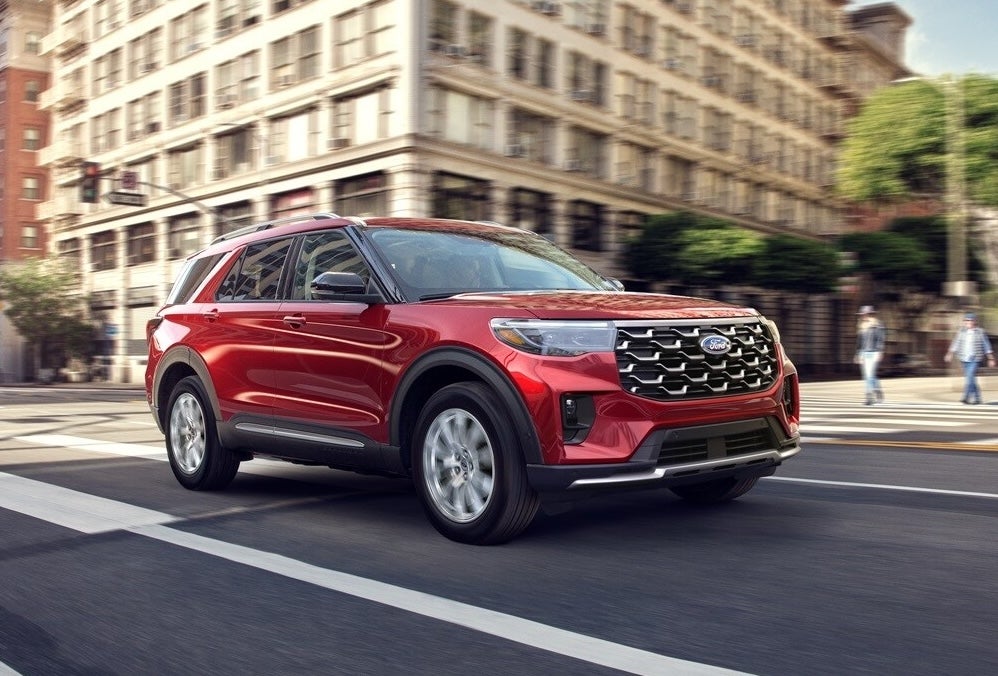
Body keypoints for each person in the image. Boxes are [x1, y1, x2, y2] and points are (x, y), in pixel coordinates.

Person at [944, 312, 995, 404]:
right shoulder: (961, 331)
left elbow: (986, 345)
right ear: (964, 321)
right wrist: (949, 354)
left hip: (975, 359)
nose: (968, 322)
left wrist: (990, 358)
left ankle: (966, 397)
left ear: (974, 321)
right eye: (966, 320)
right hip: (964, 358)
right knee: (971, 379)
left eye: (970, 320)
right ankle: (977, 398)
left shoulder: (980, 332)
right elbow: (956, 343)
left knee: (970, 377)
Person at [854, 305, 885, 405]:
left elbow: (881, 339)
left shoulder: (878, 325)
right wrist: (857, 354)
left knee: (870, 375)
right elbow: (859, 342)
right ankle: (878, 391)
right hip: (864, 353)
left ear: (870, 314)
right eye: (861, 314)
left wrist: (880, 351)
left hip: (874, 352)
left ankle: (869, 397)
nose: (862, 316)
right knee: (868, 376)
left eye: (864, 314)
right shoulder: (861, 326)